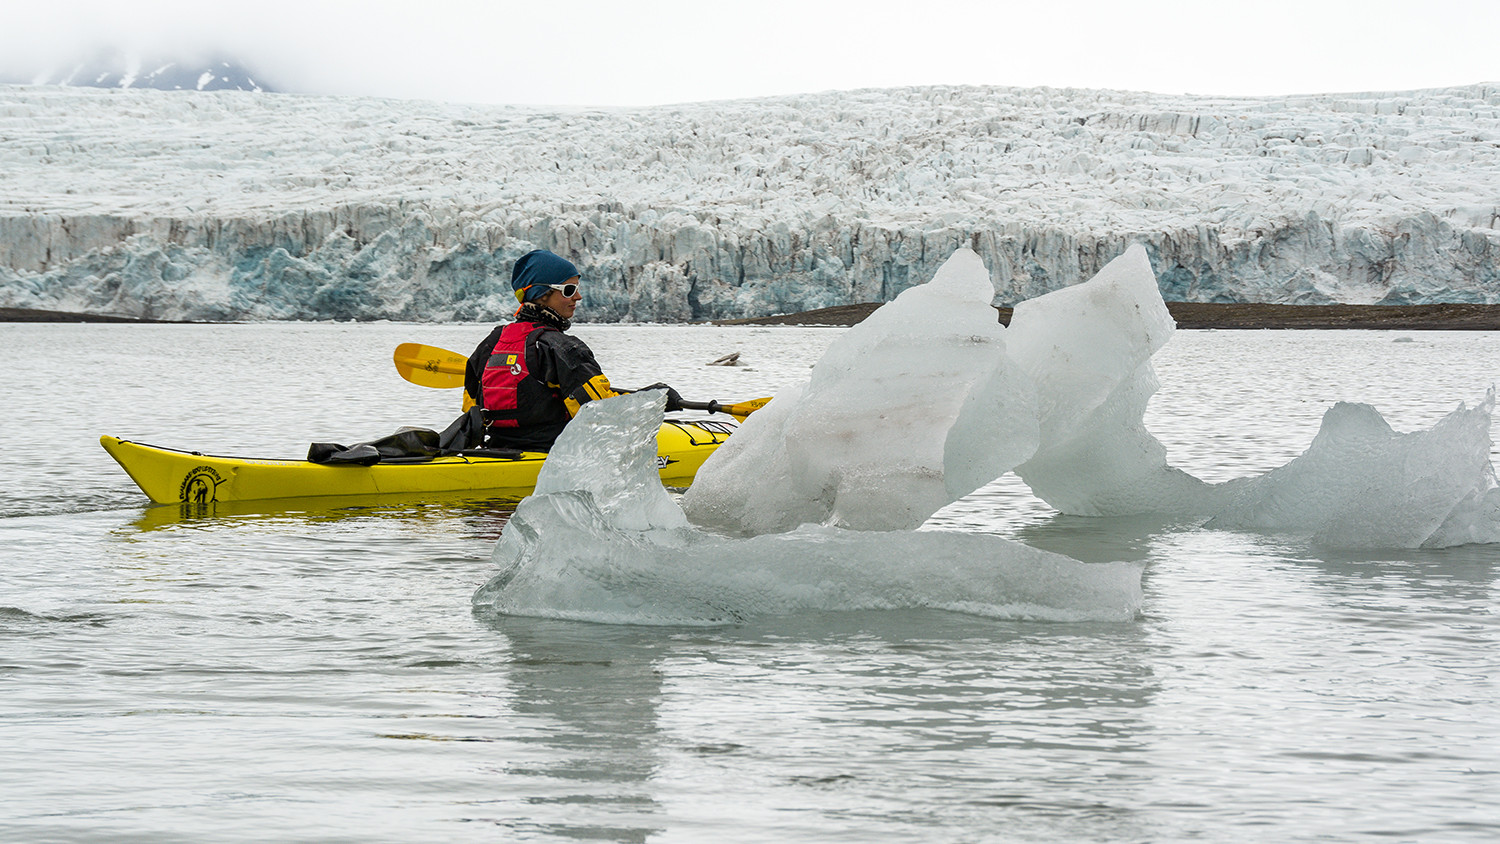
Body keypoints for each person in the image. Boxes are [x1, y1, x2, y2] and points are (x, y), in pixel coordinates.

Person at [464, 249, 680, 452]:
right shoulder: (561, 347)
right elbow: (602, 414)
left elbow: (469, 410)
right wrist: (653, 400)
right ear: (541, 294)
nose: (578, 297)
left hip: (497, 449)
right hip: (554, 454)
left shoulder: (491, 343)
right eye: (569, 290)